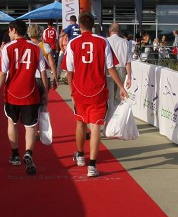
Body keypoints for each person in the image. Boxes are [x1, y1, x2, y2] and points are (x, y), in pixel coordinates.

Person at [66, 12, 127, 178]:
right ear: (93, 25)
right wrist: (121, 86)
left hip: (80, 90)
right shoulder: (103, 42)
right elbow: (110, 67)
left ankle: (80, 155)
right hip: (98, 90)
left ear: (79, 25)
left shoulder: (73, 43)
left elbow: (69, 72)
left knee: (80, 123)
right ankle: (92, 166)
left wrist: (72, 90)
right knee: (95, 128)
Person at [0, 20, 49, 175]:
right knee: (30, 126)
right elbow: (43, 72)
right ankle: (29, 152)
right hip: (31, 92)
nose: (9, 34)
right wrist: (45, 92)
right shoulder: (35, 48)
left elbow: (2, 73)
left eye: (9, 31)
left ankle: (15, 154)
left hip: (11, 93)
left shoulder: (7, 48)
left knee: (12, 122)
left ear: (13, 30)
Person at [27, 23, 58, 104]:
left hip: (30, 77)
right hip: (43, 78)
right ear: (40, 33)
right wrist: (55, 78)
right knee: (43, 103)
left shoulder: (27, 46)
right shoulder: (45, 46)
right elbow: (52, 64)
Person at [106, 22, 132, 107]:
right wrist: (129, 77)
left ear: (110, 30)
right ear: (119, 31)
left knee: (109, 96)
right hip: (121, 69)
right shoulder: (125, 42)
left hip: (109, 69)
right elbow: (128, 61)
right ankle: (116, 116)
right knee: (118, 96)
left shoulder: (106, 41)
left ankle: (109, 116)